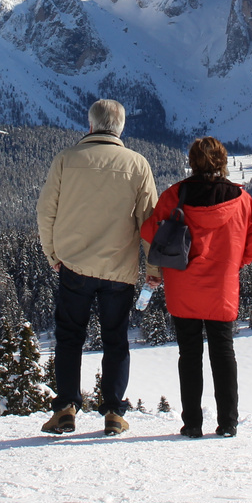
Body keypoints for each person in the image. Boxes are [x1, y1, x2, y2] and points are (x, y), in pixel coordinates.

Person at [35, 99, 158, 436]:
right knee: (116, 339)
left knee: (69, 338)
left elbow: (46, 212)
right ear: (121, 129)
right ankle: (114, 413)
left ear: (90, 126)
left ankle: (65, 409)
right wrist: (154, 269)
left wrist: (53, 255)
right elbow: (149, 221)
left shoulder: (66, 160)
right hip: (119, 270)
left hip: (74, 265)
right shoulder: (137, 164)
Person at [141, 136, 252, 438]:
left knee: (189, 354)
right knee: (223, 352)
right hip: (222, 287)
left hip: (183, 286)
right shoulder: (241, 200)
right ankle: (228, 423)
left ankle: (193, 424)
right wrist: (233, 263)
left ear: (192, 162)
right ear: (222, 162)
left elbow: (149, 230)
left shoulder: (176, 195)